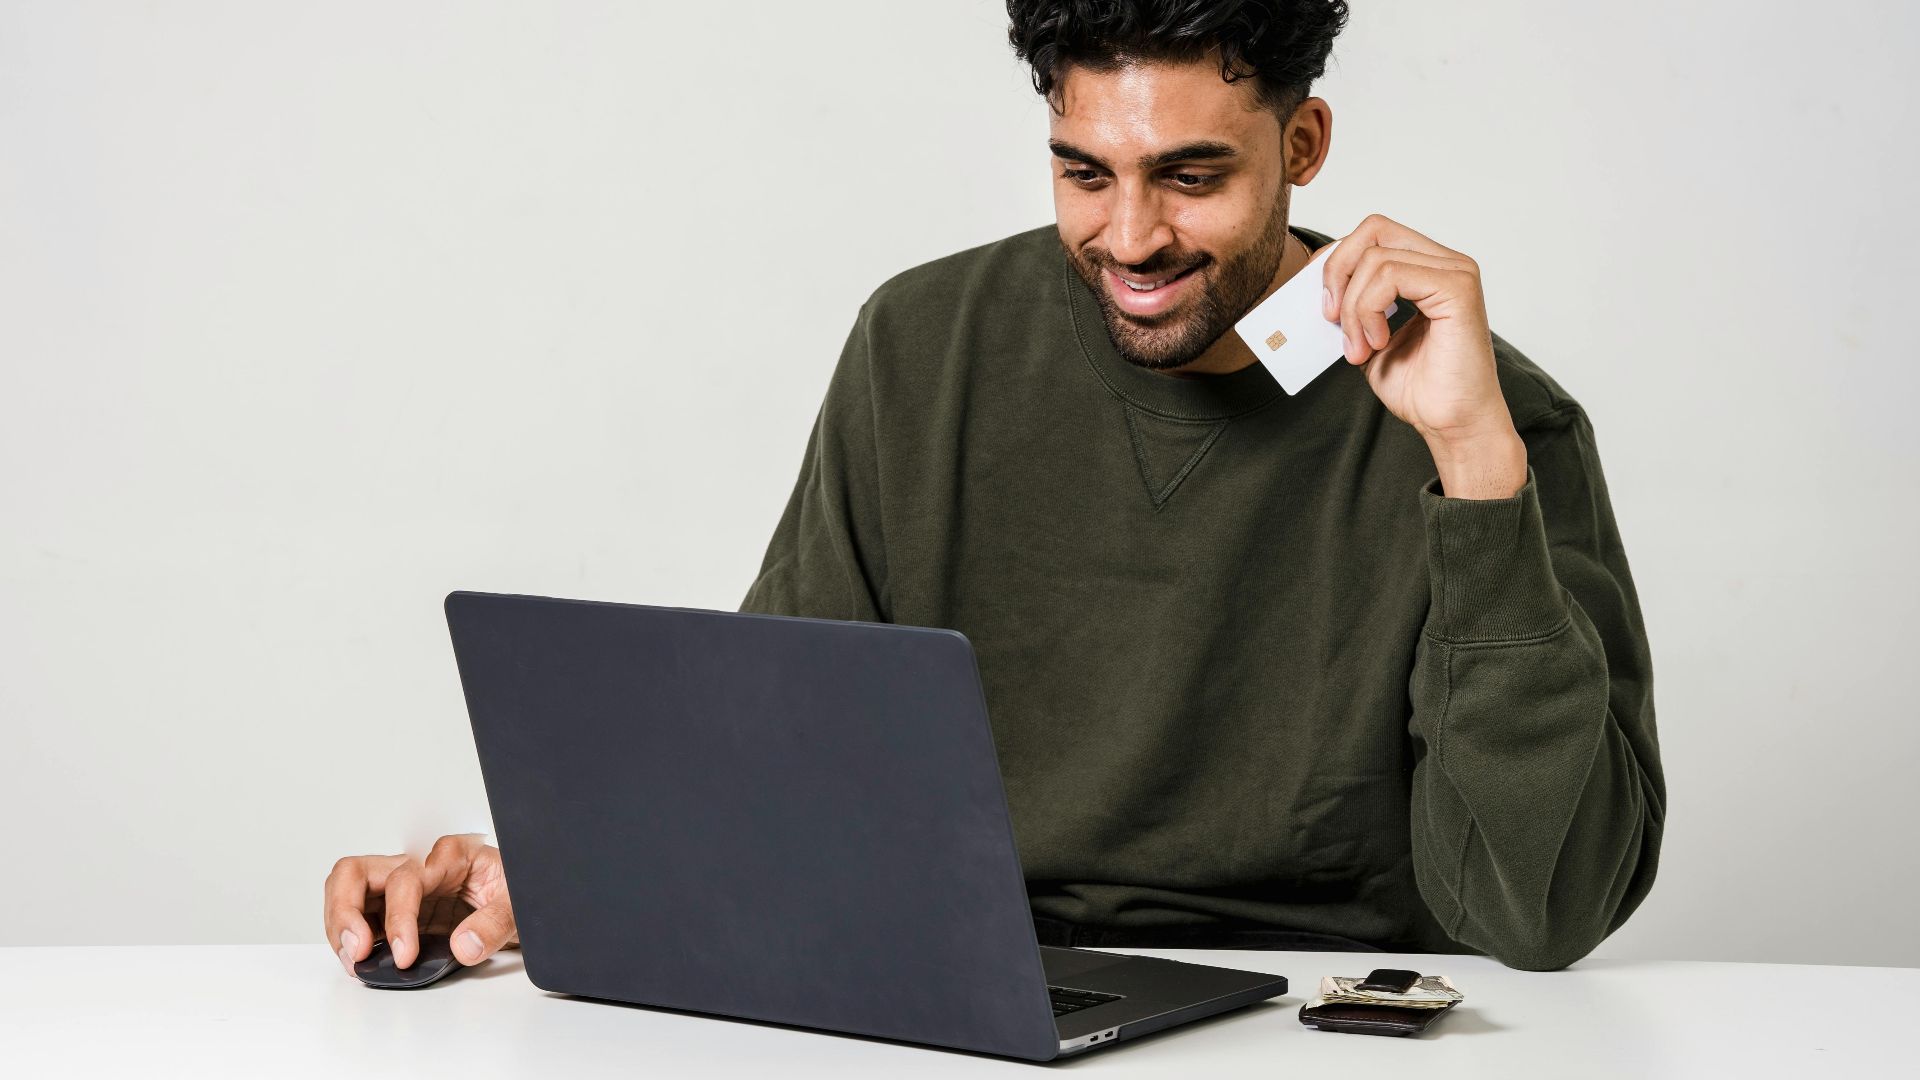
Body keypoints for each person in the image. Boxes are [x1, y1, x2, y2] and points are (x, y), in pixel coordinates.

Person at [324, 0, 1663, 976]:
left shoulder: (1490, 417)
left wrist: (1476, 470)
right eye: (1085, 172)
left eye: (1191, 176)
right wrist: (548, 876)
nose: (1130, 238)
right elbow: (779, 766)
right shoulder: (925, 347)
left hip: (1325, 1017)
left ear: (1302, 142)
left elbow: (1544, 915)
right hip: (976, 993)